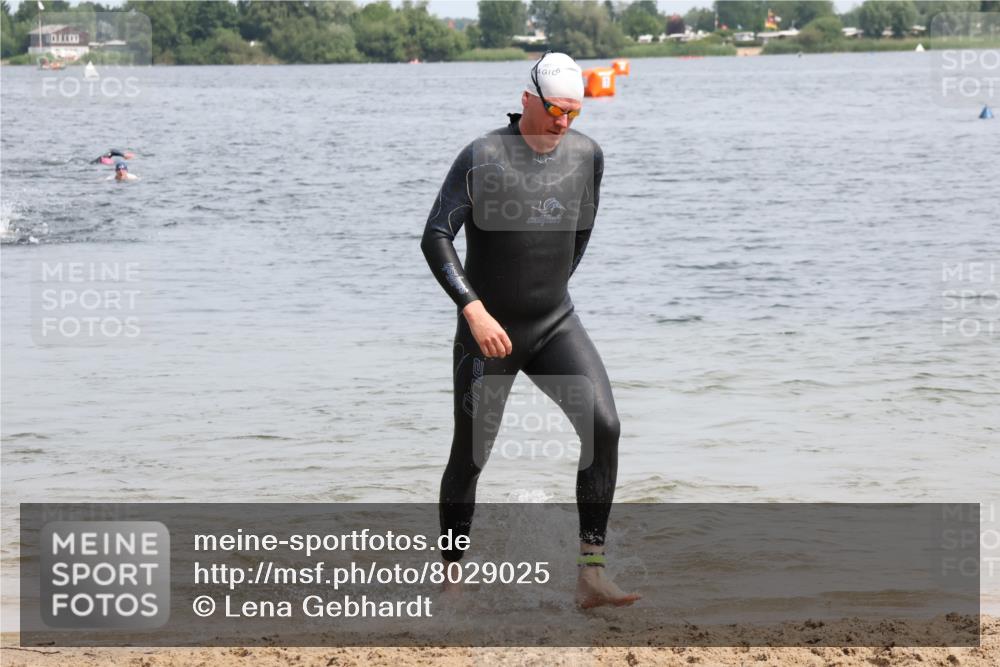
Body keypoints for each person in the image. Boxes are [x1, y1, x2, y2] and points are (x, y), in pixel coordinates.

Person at [421, 52, 640, 609]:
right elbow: (436, 236)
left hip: (553, 322)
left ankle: (591, 574)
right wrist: (474, 309)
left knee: (605, 426)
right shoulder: (483, 156)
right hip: (487, 332)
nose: (564, 122)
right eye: (554, 110)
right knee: (470, 455)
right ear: (526, 100)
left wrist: (546, 291)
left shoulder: (588, 156)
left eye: (573, 111)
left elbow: (581, 234)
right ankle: (452, 580)